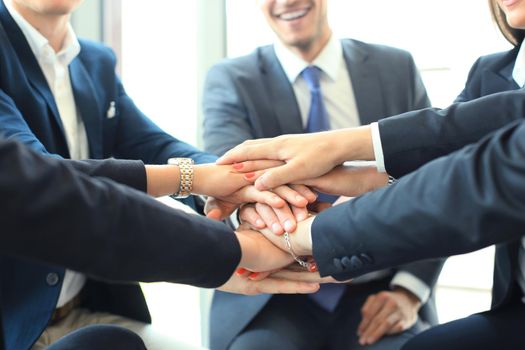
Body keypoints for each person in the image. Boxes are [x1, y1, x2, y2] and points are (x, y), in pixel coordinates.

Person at [0, 0, 313, 349]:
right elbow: (44, 180)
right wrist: (195, 182)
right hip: (16, 326)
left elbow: (154, 144)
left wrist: (252, 195)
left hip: (89, 312)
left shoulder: (93, 60)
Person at [202, 0, 443, 349]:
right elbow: (234, 182)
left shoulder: (395, 68)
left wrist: (409, 289)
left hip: (380, 286)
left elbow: (434, 179)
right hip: (270, 296)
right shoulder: (231, 79)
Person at [0, 138, 320, 349]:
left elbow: (47, 180)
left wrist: (241, 194)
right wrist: (238, 250)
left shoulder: (94, 63)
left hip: (87, 310)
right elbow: (58, 198)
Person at [253, 119, 525, 349]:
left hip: (380, 285)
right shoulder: (493, 69)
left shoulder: (397, 66)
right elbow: (454, 158)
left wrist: (314, 234)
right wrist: (248, 206)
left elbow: (460, 184)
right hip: (273, 303)